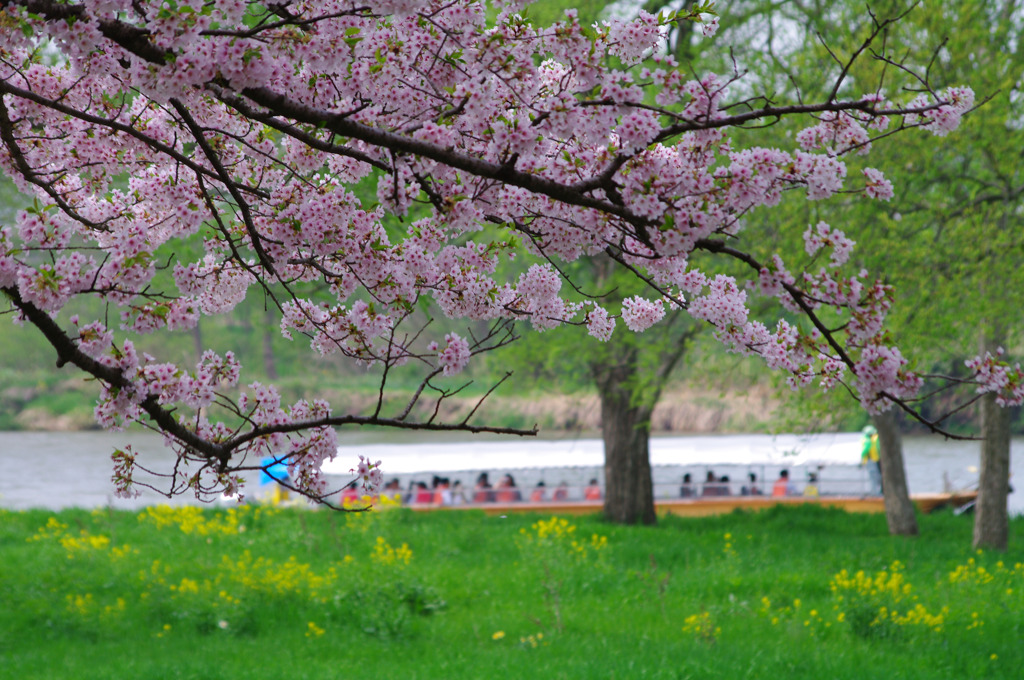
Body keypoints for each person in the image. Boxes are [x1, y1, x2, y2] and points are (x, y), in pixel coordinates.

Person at [861, 425, 882, 495]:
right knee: (875, 477)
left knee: (874, 477)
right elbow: (867, 450)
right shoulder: (870, 440)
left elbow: (866, 450)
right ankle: (875, 493)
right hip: (872, 460)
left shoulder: (868, 440)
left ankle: (875, 492)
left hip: (872, 460)